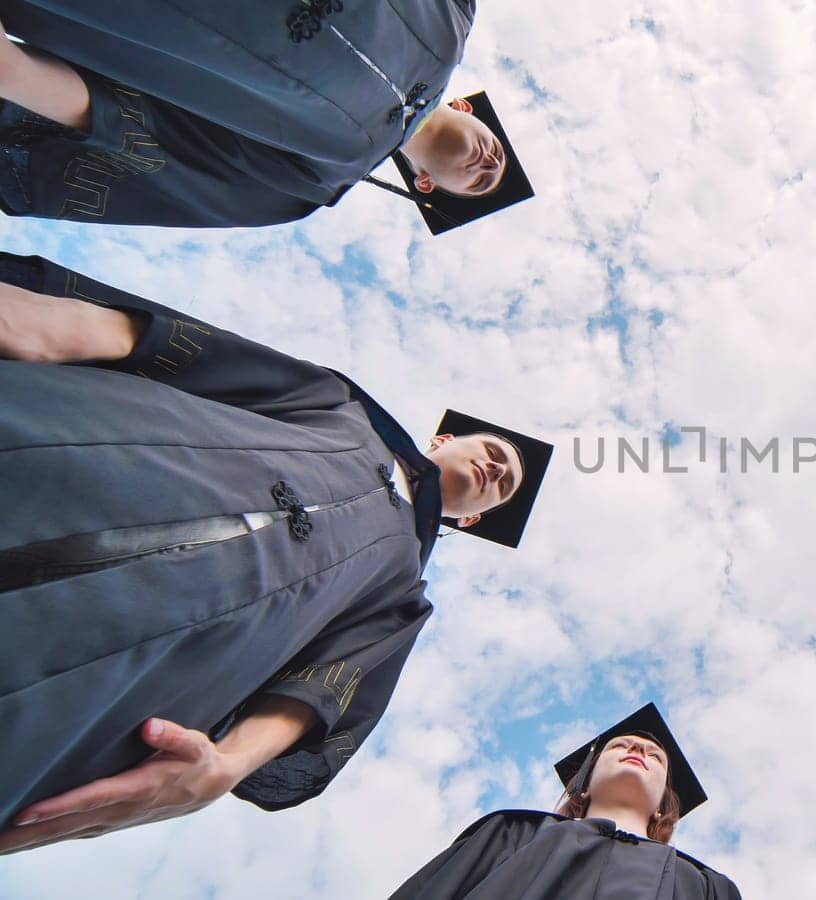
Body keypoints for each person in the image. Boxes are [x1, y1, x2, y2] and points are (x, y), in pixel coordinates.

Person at [0, 252, 551, 852]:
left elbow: (325, 689)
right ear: (444, 437)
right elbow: (215, 360)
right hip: (62, 458)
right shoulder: (338, 404)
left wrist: (227, 764)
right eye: (493, 449)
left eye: (503, 482)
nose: (495, 466)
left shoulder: (401, 593)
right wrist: (69, 322)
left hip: (107, 669)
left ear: (470, 519)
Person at [0, 2, 508, 226]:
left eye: (480, 184)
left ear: (424, 184)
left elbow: (156, 139)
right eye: (499, 156)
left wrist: (15, 73)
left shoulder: (312, 179)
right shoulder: (452, 14)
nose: (488, 164)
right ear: (469, 106)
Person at [389, 703, 743, 899]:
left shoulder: (706, 888)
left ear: (662, 808)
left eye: (656, 756)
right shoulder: (508, 835)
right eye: (619, 745)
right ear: (583, 786)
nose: (638, 749)